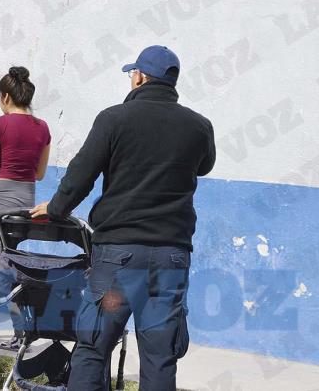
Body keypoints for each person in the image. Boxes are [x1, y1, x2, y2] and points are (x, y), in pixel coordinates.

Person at [31, 45, 216, 391]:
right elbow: (205, 165)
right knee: (160, 355)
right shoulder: (199, 126)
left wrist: (55, 209)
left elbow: (80, 174)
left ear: (141, 77)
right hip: (170, 257)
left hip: (118, 257)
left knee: (94, 345)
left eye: (133, 73)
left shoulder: (113, 119)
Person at [0, 66, 51, 351]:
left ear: (5, 96)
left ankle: (21, 332)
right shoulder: (43, 127)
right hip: (26, 197)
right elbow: (40, 173)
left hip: (0, 197)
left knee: (7, 265)